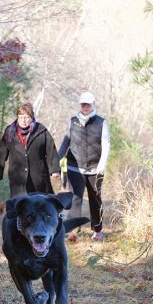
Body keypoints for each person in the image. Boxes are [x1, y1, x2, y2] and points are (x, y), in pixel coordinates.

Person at [58, 91, 110, 240]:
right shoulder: (73, 121)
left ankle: (97, 230)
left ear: (93, 104)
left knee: (95, 198)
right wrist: (56, 159)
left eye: (88, 104)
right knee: (75, 198)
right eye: (83, 104)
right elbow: (65, 142)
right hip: (75, 167)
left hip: (95, 168)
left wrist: (102, 164)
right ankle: (73, 231)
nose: (85, 107)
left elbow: (106, 144)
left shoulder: (101, 122)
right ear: (80, 105)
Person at [0, 102, 60, 197]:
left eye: (27, 117)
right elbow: (2, 152)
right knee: (19, 206)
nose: (23, 120)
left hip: (38, 177)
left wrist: (54, 169)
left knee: (39, 205)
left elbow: (51, 150)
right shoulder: (10, 132)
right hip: (17, 179)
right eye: (21, 117)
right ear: (17, 117)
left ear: (32, 118)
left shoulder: (41, 130)